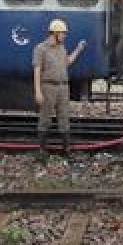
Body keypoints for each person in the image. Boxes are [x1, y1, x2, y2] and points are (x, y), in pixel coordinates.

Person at [32, 18, 86, 162]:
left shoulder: (62, 48)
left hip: (63, 87)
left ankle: (66, 150)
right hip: (48, 86)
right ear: (55, 33)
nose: (65, 36)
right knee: (45, 118)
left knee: (64, 118)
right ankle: (41, 151)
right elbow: (37, 70)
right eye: (63, 33)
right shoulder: (40, 49)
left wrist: (78, 49)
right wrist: (38, 91)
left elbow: (67, 62)